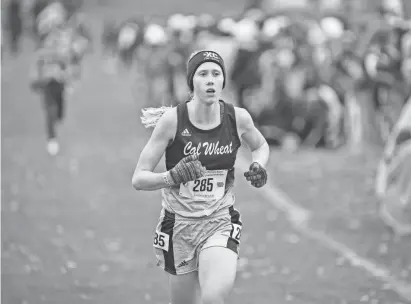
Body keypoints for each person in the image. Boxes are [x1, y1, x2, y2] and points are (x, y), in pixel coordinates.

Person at [132, 50, 270, 304]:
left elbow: (260, 146)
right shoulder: (173, 120)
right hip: (179, 226)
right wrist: (172, 176)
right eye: (203, 74)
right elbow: (138, 178)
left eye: (216, 74)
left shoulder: (237, 118)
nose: (210, 80)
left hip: (220, 221)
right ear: (191, 82)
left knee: (213, 297)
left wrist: (259, 165)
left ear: (223, 81)